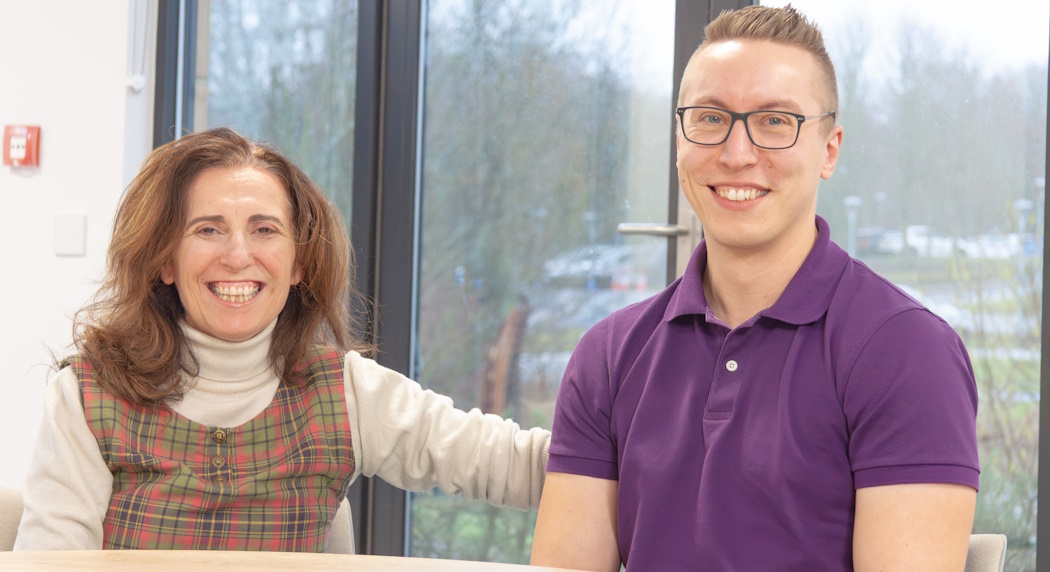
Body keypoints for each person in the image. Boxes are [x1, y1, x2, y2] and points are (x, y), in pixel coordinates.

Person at [530, 5, 979, 571]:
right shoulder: (609, 354)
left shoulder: (906, 353)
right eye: (711, 118)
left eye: (774, 122)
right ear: (678, 141)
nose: (737, 154)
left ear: (829, 150)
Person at [15, 127, 549, 551]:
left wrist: (626, 442)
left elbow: (511, 464)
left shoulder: (346, 391)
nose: (239, 255)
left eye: (265, 229)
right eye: (208, 229)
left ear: (298, 263)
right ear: (164, 261)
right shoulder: (86, 397)